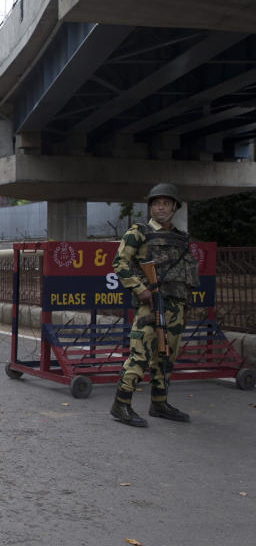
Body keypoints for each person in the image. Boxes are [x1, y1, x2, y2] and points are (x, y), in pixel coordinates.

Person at [110, 183, 199, 427]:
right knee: (140, 356)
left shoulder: (181, 238)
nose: (161, 208)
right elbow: (120, 263)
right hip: (151, 306)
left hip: (176, 307)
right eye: (157, 203)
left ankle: (159, 403)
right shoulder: (139, 232)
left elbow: (186, 277)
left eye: (166, 203)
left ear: (174, 207)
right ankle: (121, 404)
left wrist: (186, 309)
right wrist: (141, 290)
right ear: (150, 207)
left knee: (166, 358)